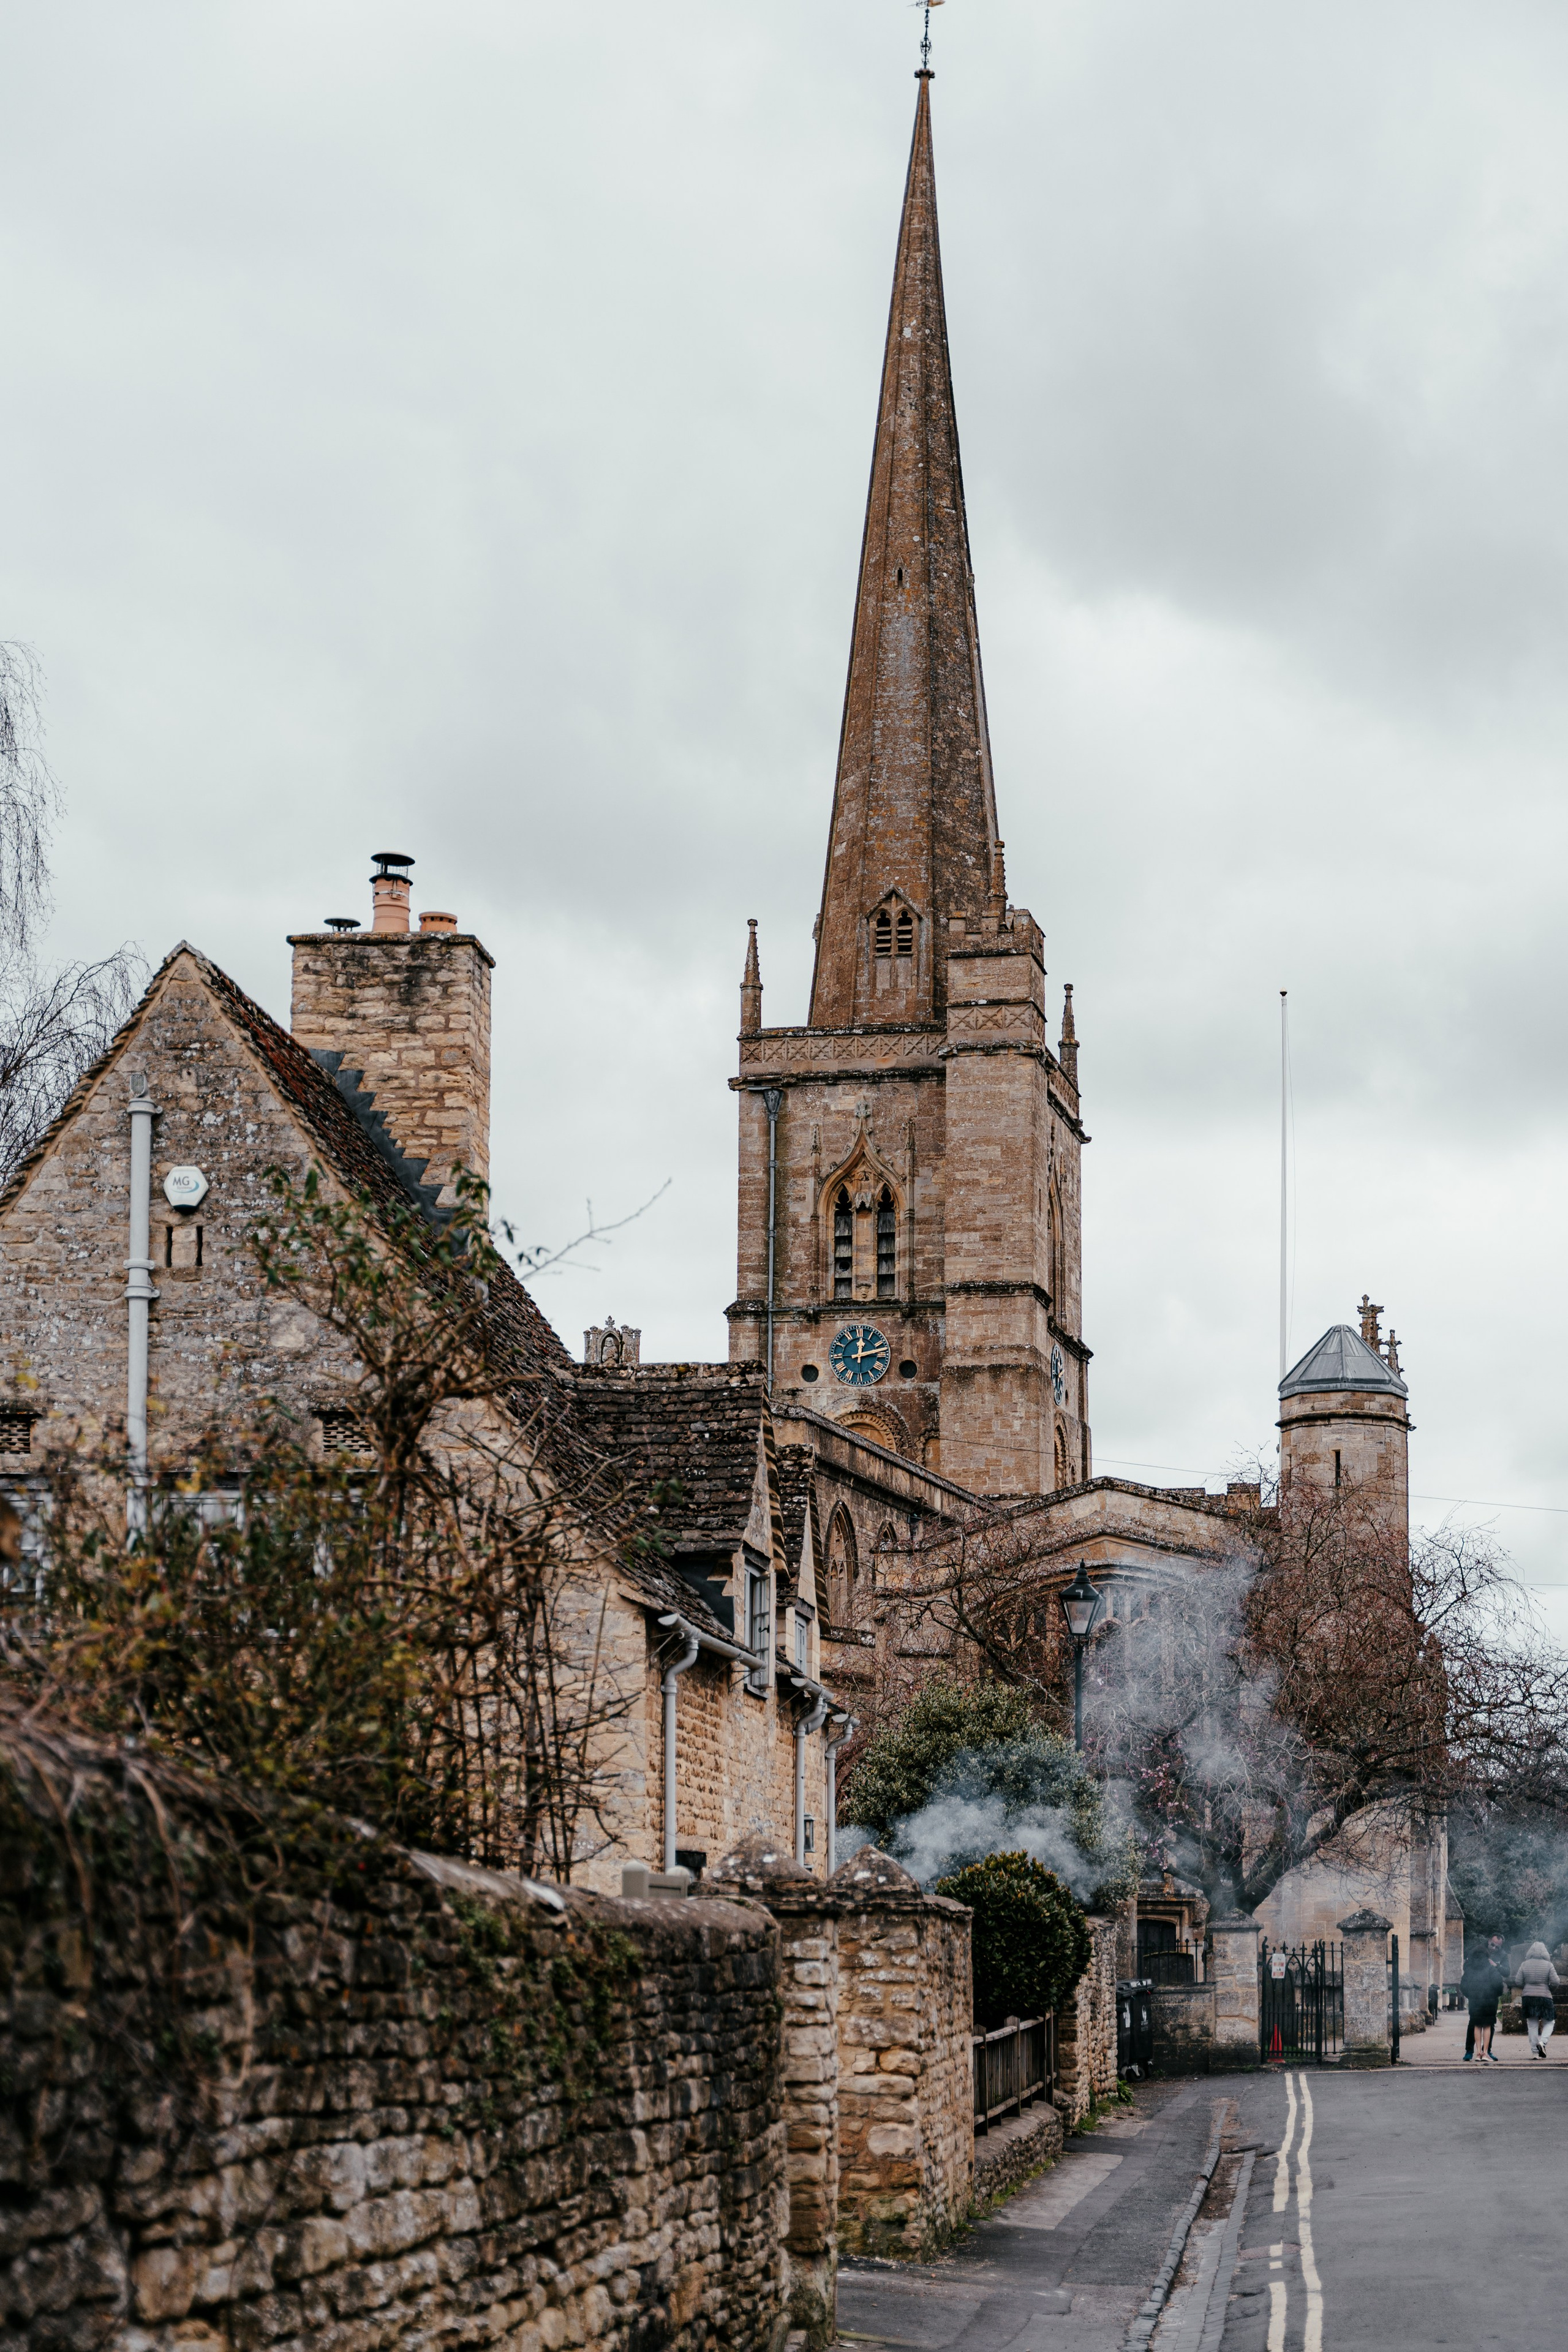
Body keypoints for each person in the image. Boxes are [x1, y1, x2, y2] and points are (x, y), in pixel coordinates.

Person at [1513, 1941, 1562, 2059]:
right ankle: (1543, 2042)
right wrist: (1549, 1988)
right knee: (1550, 2022)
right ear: (1545, 1952)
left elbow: (1518, 1982)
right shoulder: (1548, 1965)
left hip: (1528, 1998)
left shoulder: (1524, 1964)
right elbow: (1556, 1982)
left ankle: (1535, 2052)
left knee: (1532, 2024)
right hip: (1545, 1996)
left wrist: (1527, 1987)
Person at [1461, 1936, 1506, 2064]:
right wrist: (1494, 1995)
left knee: (1476, 2025)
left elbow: (1464, 1985)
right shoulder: (1491, 1969)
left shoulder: (1469, 1969)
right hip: (1490, 2002)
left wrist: (1471, 1995)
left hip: (1475, 2002)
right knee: (1487, 2026)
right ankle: (1486, 2052)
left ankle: (1477, 2053)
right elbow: (1499, 1985)